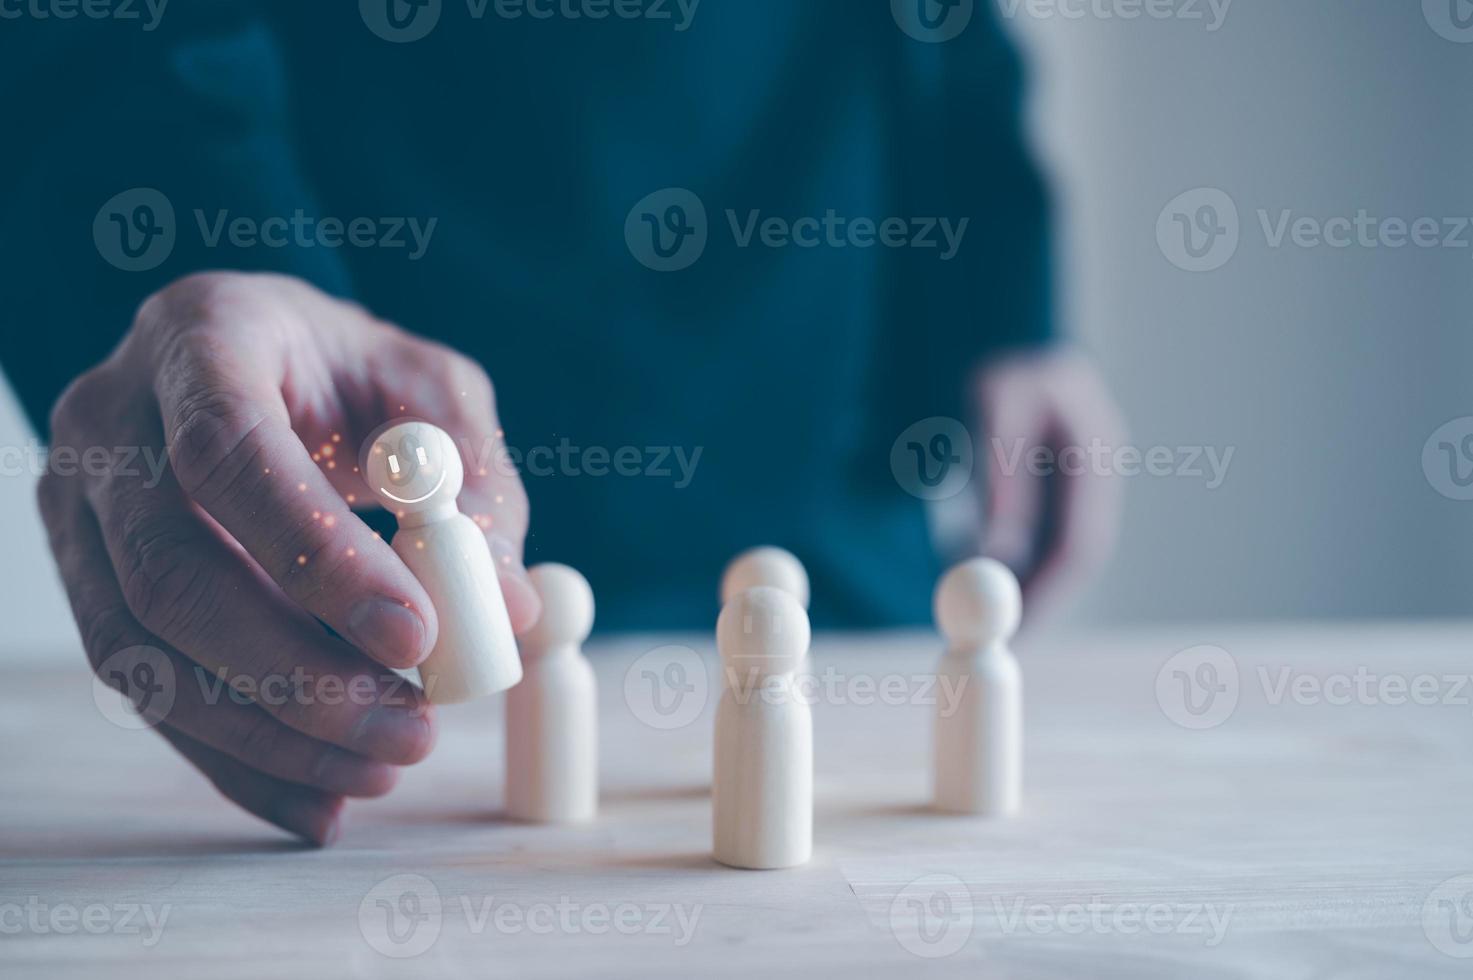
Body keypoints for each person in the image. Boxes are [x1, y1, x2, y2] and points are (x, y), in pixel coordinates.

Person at [2, 1, 1124, 843]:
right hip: (356, 347)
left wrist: (997, 282)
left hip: (831, 374)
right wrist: (193, 260)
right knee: (418, 679)